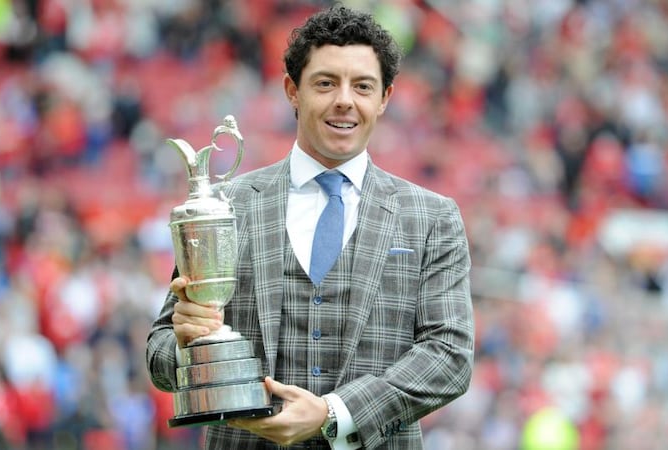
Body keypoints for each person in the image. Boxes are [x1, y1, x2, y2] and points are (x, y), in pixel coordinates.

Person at [146, 4, 474, 449]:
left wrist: (334, 413)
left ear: (385, 99)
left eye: (362, 86)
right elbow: (160, 357)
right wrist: (187, 346)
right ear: (292, 91)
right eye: (325, 83)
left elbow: (450, 357)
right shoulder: (226, 205)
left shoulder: (432, 217)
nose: (344, 100)